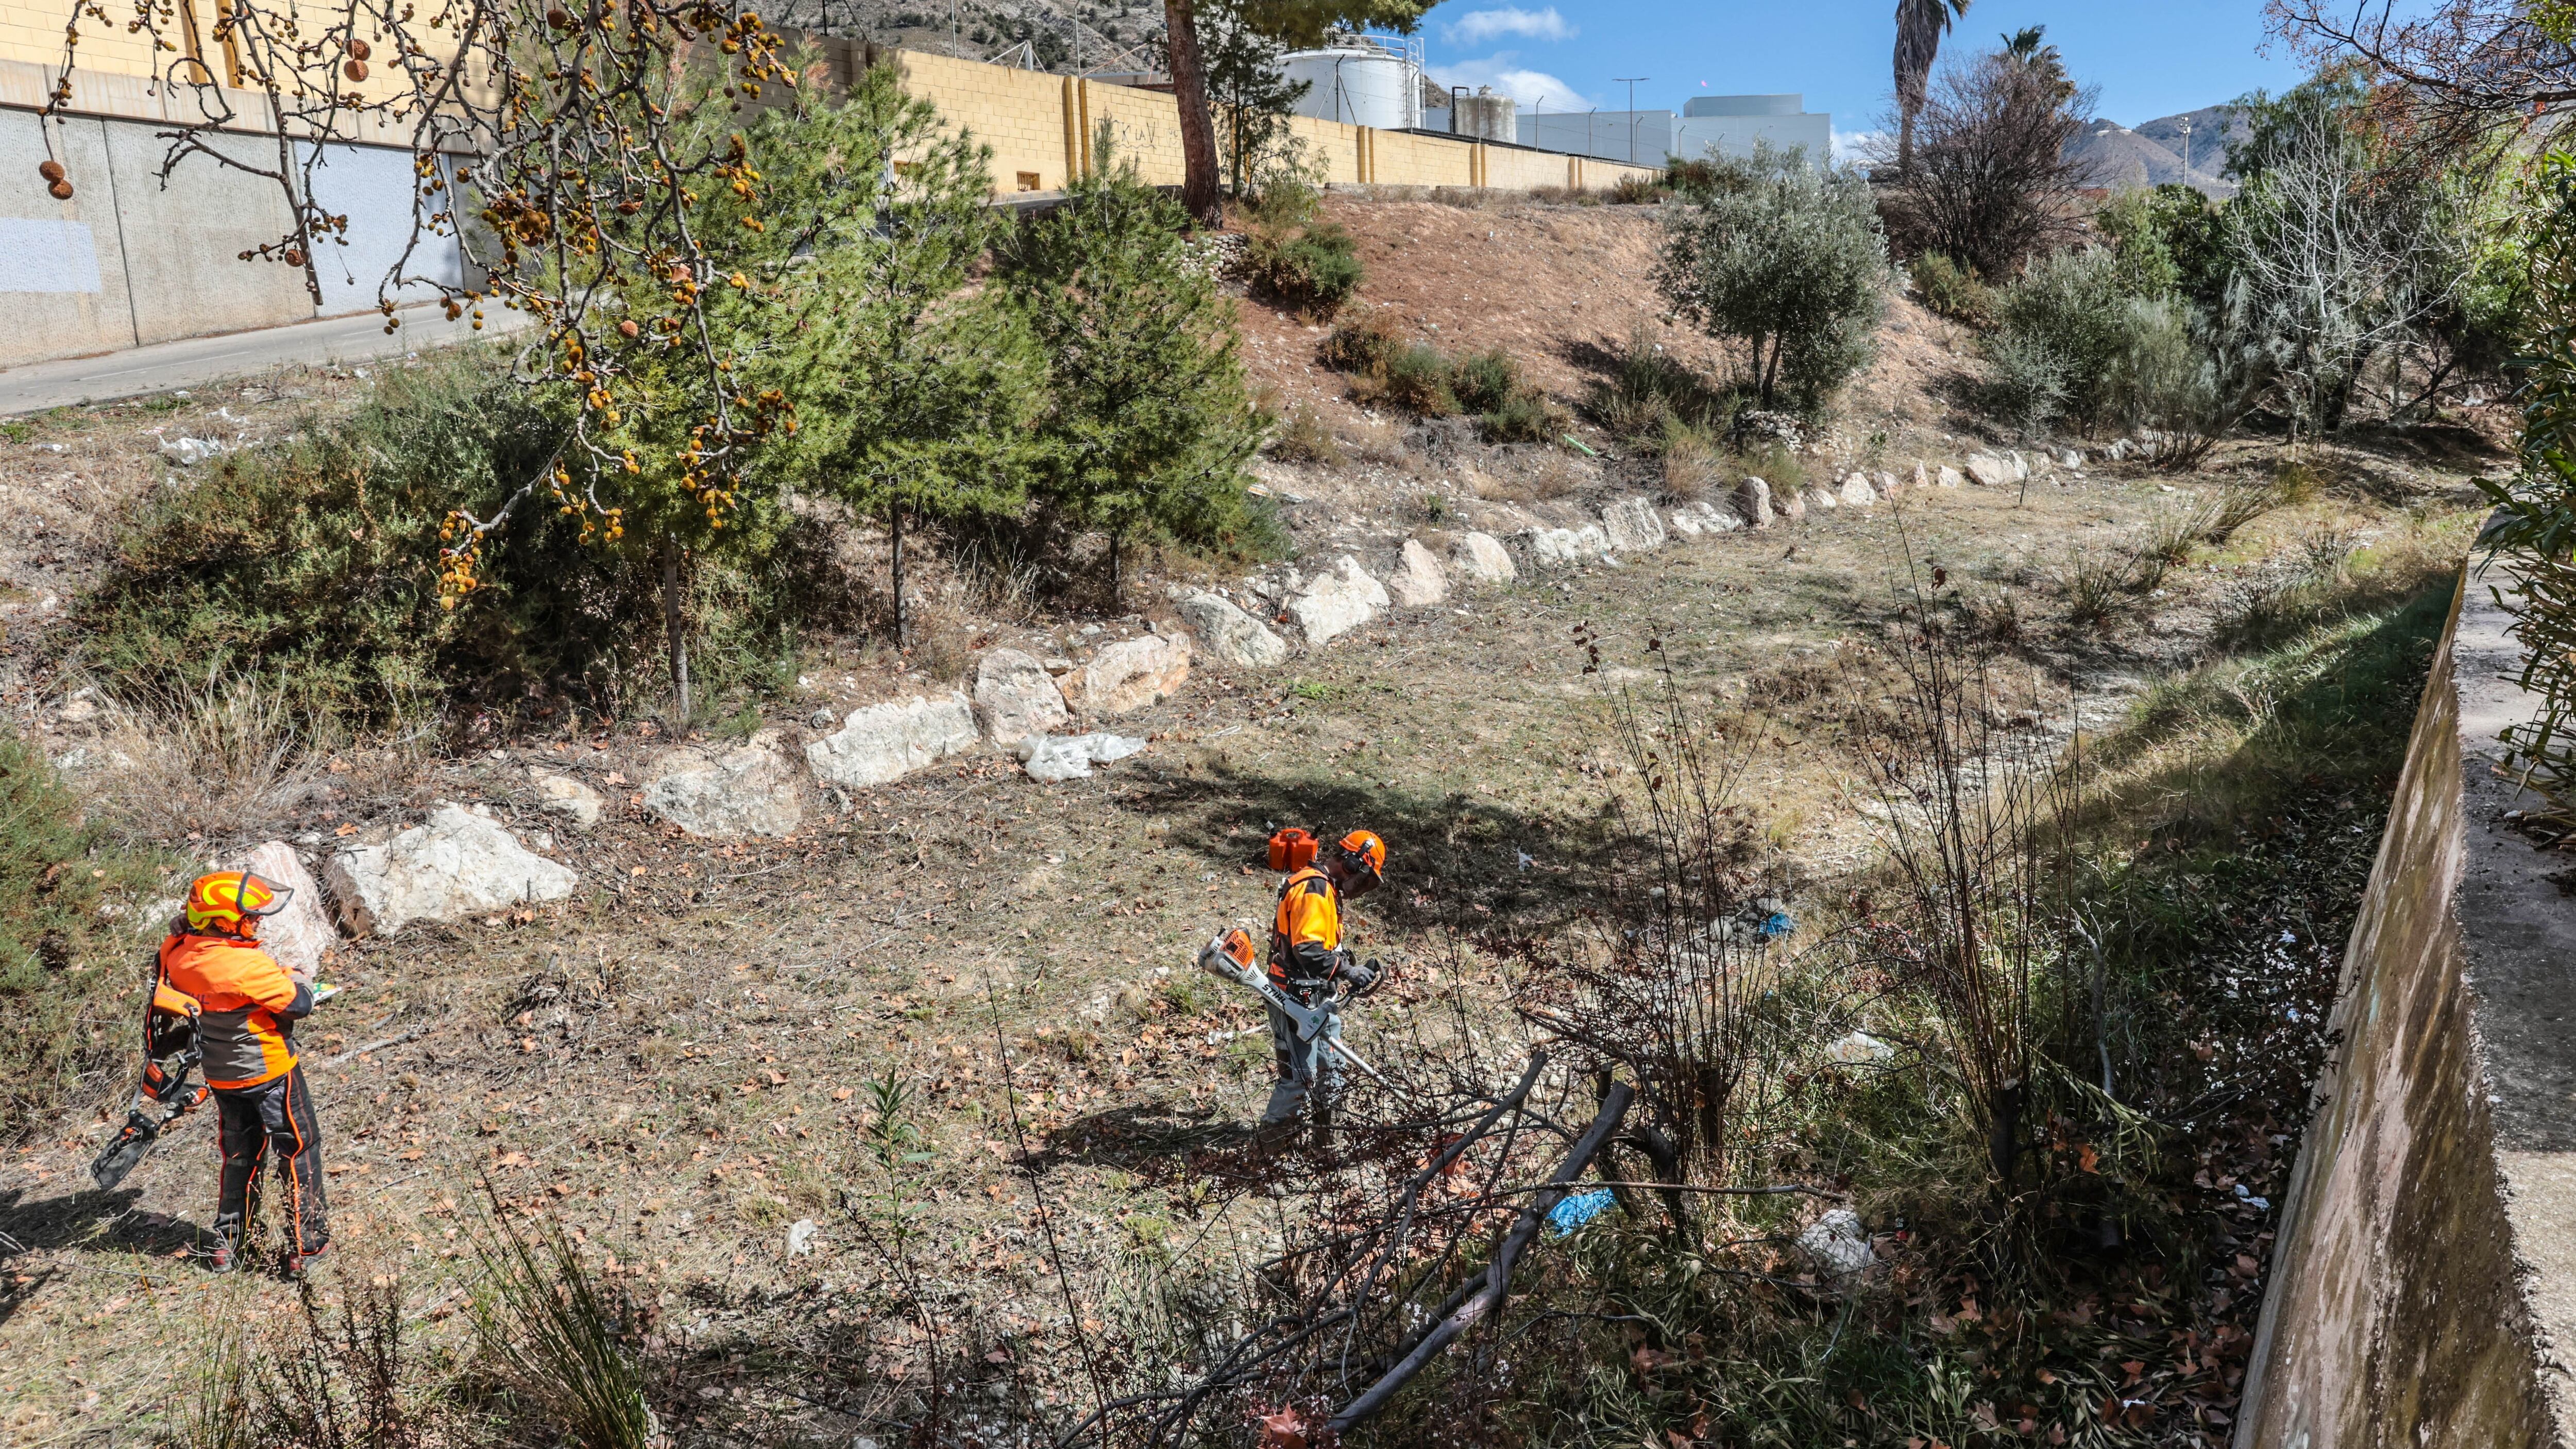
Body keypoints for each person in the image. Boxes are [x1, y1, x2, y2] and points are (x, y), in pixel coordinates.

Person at [158, 870, 330, 1276]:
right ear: (224, 920)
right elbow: (299, 1005)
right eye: (250, 916)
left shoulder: (176, 953)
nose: (258, 922)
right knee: (299, 1153)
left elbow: (180, 942)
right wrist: (298, 979)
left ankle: (228, 1246)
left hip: (222, 1077)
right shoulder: (245, 965)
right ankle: (308, 1247)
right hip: (271, 1073)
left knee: (240, 1157)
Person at [1262, 829, 1386, 1132]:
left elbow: (1321, 945)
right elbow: (1308, 950)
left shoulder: (1326, 888)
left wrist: (1343, 964)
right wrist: (1347, 971)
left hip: (1319, 996)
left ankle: (1326, 1146)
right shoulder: (1315, 889)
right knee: (1299, 1078)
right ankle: (1265, 1152)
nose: (1361, 885)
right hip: (1293, 997)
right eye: (1365, 876)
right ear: (1355, 864)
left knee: (1332, 1070)